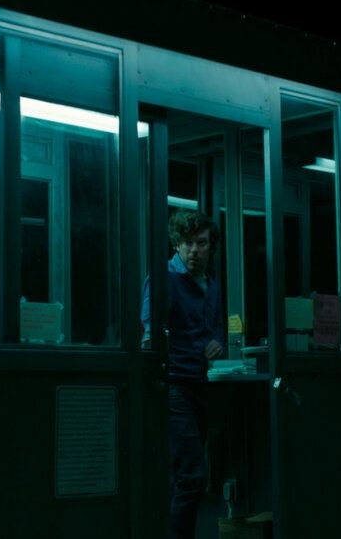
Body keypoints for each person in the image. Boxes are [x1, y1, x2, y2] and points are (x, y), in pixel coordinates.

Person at [141, 209, 224, 539]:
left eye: (201, 243)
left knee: (182, 477)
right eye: (187, 243)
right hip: (173, 384)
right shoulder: (164, 278)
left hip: (199, 384)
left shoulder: (211, 282)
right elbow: (148, 329)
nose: (194, 250)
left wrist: (217, 340)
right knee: (192, 476)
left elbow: (216, 324)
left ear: (211, 246)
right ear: (176, 244)